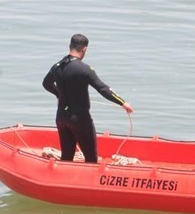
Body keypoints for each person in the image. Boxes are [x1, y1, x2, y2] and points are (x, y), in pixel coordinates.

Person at [42, 34, 134, 163]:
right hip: (79, 119)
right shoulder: (84, 69)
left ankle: (65, 181)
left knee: (67, 157)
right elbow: (103, 88)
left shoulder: (57, 67)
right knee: (91, 158)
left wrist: (58, 94)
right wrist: (122, 103)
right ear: (84, 49)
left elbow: (46, 84)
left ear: (70, 46)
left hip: (61, 117)